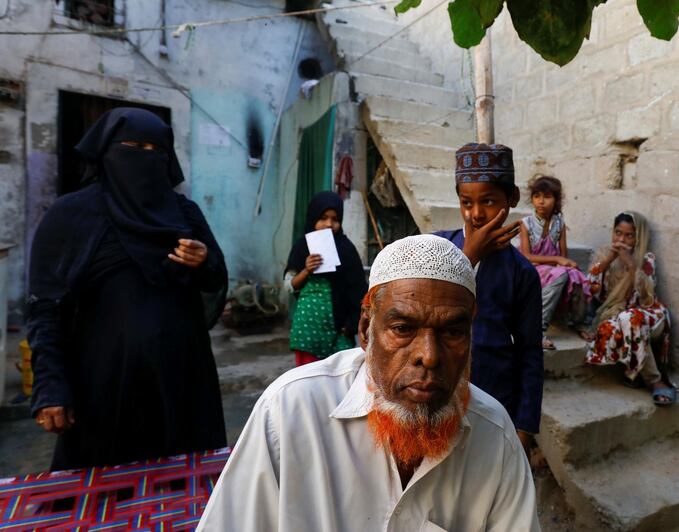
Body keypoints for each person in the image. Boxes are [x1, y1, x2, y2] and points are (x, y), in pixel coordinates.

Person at [198, 235, 540, 532]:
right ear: (365, 330)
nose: (429, 356)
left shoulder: (495, 437)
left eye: (452, 332)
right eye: (403, 329)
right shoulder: (290, 412)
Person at [27, 108, 228, 470]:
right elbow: (45, 306)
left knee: (186, 490)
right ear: (106, 151)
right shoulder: (71, 215)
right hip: (101, 386)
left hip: (182, 382)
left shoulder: (185, 213)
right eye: (133, 146)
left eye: (156, 150)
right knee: (100, 496)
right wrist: (51, 386)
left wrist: (203, 261)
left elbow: (215, 279)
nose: (144, 157)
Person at [436, 143, 544, 457]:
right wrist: (469, 256)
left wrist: (525, 427)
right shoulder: (440, 246)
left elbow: (530, 352)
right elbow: (429, 296)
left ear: (511, 200)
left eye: (488, 201)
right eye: (466, 202)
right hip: (438, 390)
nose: (476, 213)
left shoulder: (522, 273)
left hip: (493, 396)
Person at [585, 211, 675, 405]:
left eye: (629, 235)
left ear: (638, 237)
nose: (622, 239)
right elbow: (591, 290)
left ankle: (655, 381)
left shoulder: (647, 258)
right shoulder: (603, 254)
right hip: (616, 314)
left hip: (650, 315)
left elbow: (645, 298)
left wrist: (631, 264)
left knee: (630, 317)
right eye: (618, 233)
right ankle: (632, 374)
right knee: (613, 326)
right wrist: (609, 259)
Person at [284, 191, 367, 367]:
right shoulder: (302, 246)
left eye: (335, 219)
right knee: (308, 378)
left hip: (339, 329)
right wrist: (307, 270)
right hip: (308, 328)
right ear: (313, 218)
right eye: (323, 218)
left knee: (341, 376)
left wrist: (352, 323)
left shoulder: (346, 249)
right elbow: (290, 285)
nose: (329, 224)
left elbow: (358, 288)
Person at [518, 175, 592, 349]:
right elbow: (527, 257)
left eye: (547, 196)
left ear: (556, 200)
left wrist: (564, 262)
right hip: (532, 268)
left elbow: (564, 256)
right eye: (537, 196)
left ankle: (579, 321)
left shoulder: (559, 224)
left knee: (577, 276)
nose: (541, 202)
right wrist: (558, 260)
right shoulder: (526, 223)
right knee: (561, 274)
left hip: (553, 270)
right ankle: (537, 330)